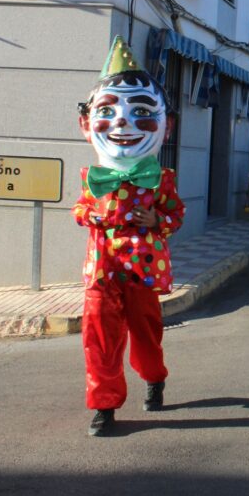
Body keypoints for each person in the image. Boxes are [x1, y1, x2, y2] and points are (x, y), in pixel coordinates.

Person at [73, 36, 186, 437]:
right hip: (101, 268)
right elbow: (80, 209)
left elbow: (176, 215)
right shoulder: (92, 177)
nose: (123, 121)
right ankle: (103, 406)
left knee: (146, 332)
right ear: (86, 123)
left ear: (166, 126)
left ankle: (154, 377)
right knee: (99, 338)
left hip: (143, 268)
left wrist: (157, 218)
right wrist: (92, 212)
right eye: (108, 110)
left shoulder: (163, 179)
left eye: (141, 111)